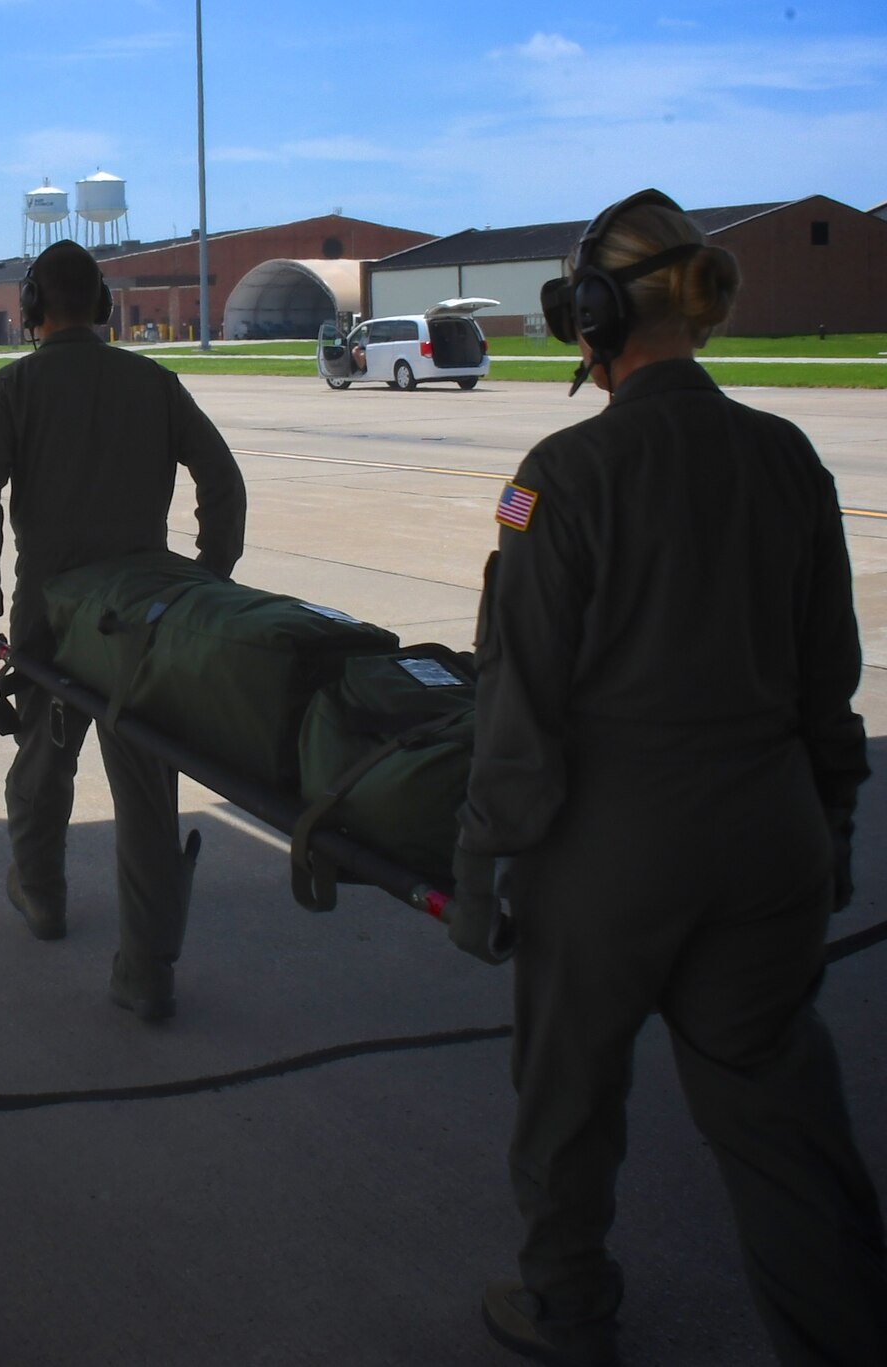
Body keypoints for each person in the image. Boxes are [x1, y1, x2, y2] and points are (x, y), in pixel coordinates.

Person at [449, 189, 887, 1367]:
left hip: (609, 855)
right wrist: (829, 826)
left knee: (568, 1103)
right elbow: (825, 677)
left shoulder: (553, 474)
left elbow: (519, 694)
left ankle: (564, 1306)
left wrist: (484, 857)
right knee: (784, 1127)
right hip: (768, 842)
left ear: (590, 315)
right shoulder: (786, 455)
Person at [0, 238, 247, 1022]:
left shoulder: (13, 388)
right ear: (108, 310)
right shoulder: (154, 382)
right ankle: (145, 974)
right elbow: (222, 479)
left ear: (29, 310)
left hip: (53, 620)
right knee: (148, 794)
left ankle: (43, 895)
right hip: (144, 623)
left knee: (42, 765)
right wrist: (205, 582)